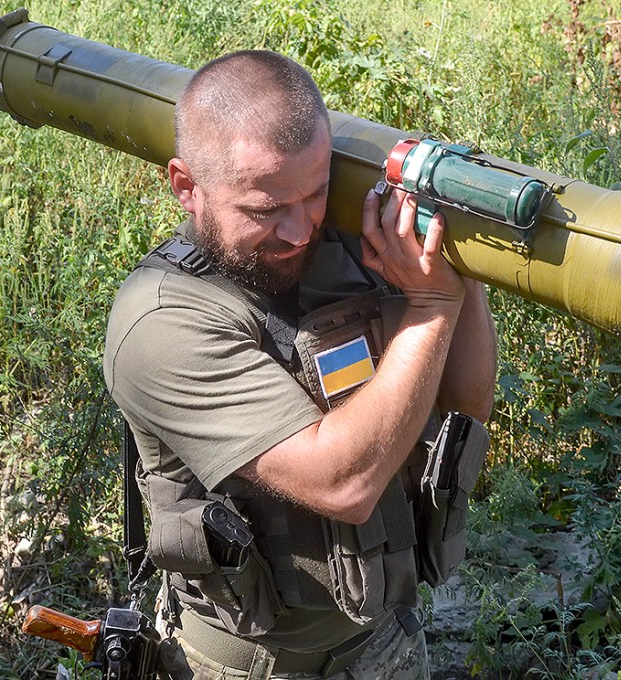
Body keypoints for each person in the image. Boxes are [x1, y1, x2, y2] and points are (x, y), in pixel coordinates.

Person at [102, 50, 497, 679]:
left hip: (385, 643)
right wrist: (429, 306)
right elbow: (343, 482)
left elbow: (462, 406)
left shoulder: (348, 247)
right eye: (263, 210)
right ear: (186, 186)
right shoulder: (162, 323)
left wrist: (462, 271)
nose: (297, 230)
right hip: (254, 667)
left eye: (316, 194)